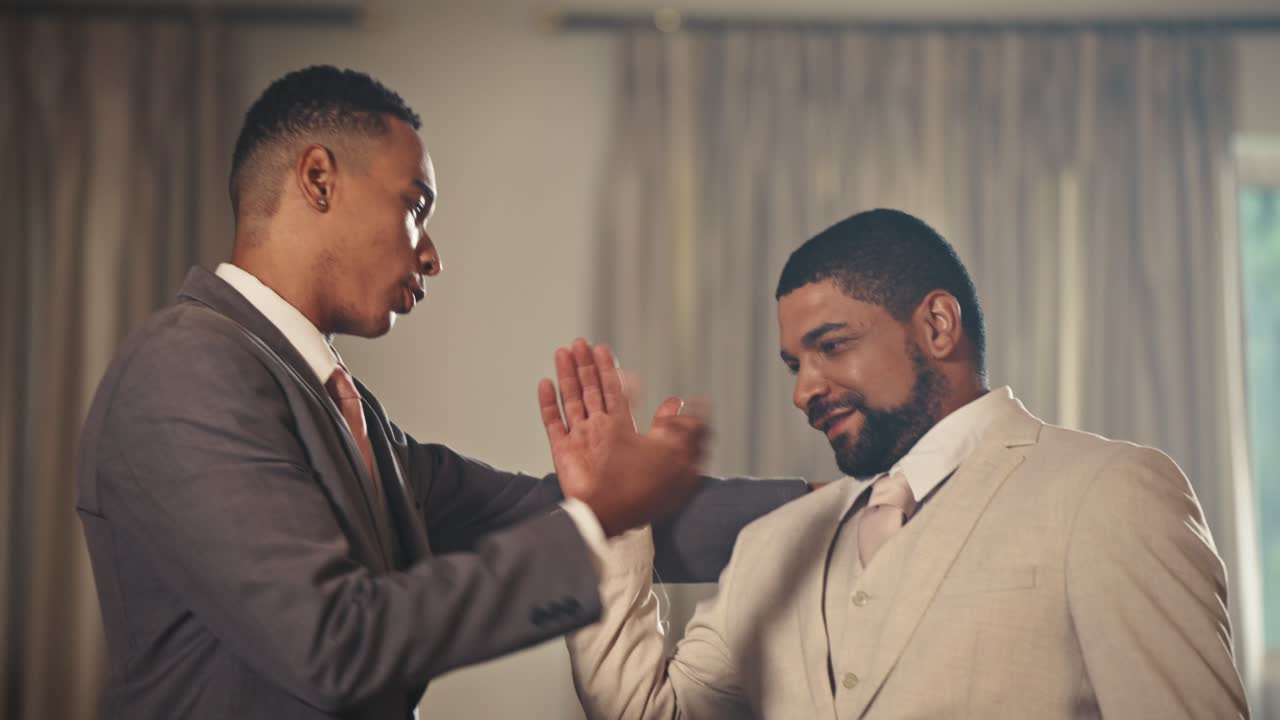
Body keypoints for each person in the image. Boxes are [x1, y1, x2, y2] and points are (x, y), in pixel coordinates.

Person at [75, 66, 806, 720]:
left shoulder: (347, 413)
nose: (431, 253)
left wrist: (847, 508)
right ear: (319, 179)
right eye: (415, 205)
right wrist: (595, 521)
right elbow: (333, 643)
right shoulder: (185, 369)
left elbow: (558, 513)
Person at [565, 208, 1250, 719]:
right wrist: (614, 515)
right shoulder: (779, 542)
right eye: (794, 365)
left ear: (938, 325)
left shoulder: (1109, 493)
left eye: (831, 346)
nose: (803, 390)